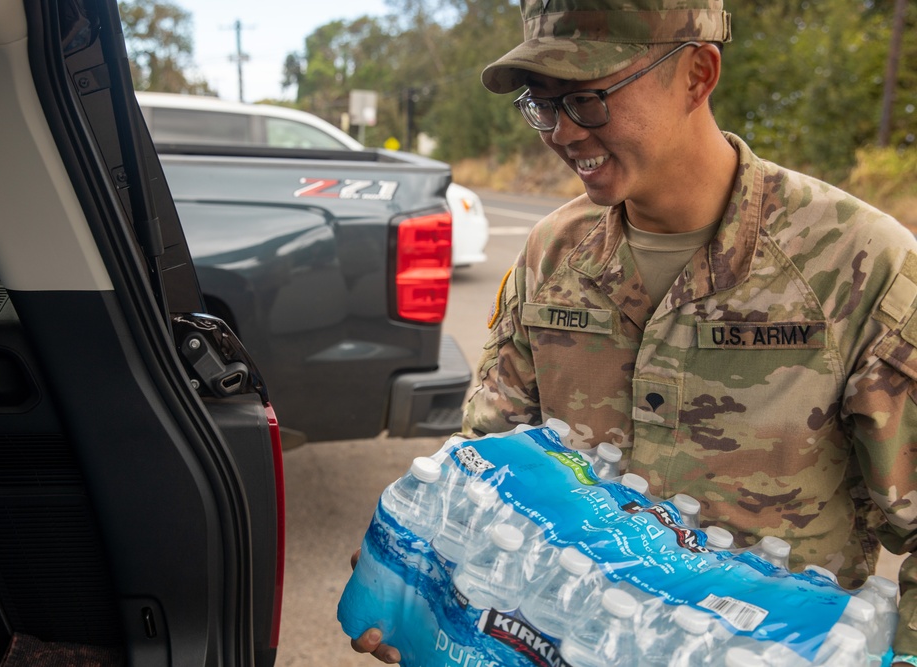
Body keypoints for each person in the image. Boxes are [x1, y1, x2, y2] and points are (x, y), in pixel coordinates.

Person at [351, 0, 917, 663]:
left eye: (588, 99)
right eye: (542, 100)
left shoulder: (858, 265)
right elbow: (487, 463)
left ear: (698, 74)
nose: (562, 132)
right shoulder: (552, 253)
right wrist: (424, 581)